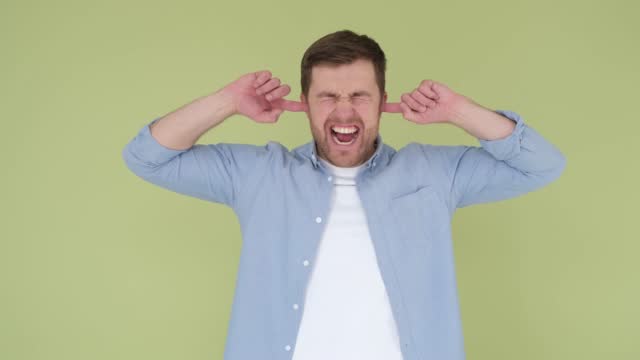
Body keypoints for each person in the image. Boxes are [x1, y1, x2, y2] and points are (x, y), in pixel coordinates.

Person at [122, 29, 566, 360]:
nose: (344, 111)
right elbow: (146, 156)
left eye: (359, 95)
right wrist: (228, 100)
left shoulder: (433, 171)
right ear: (305, 102)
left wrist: (458, 111)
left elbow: (543, 164)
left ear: (382, 100)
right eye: (327, 96)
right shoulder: (260, 173)